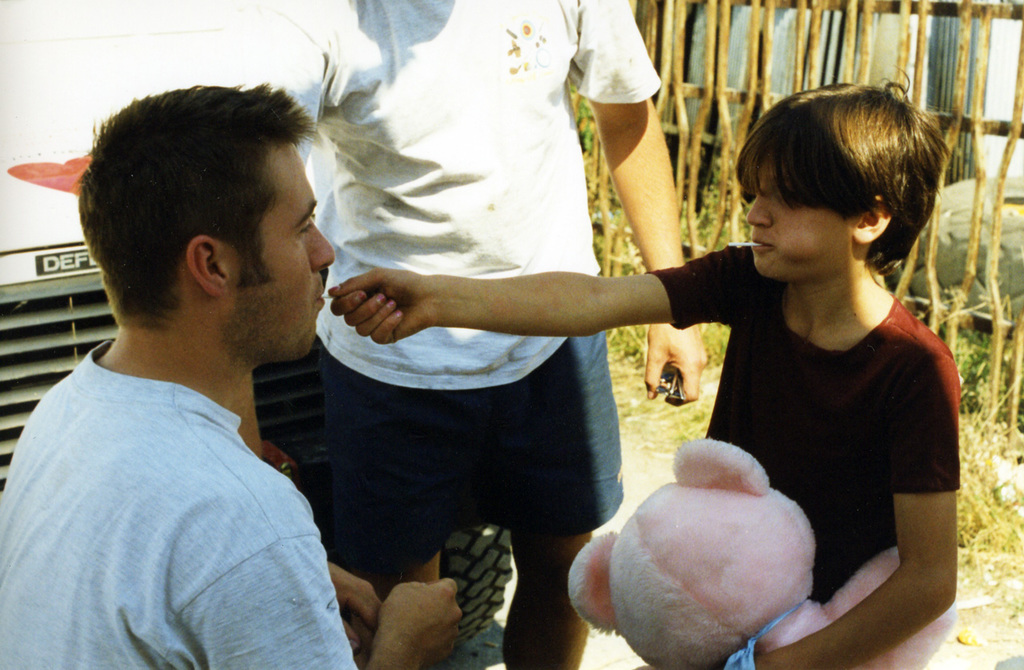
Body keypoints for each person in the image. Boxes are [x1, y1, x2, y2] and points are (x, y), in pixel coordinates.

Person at [329, 82, 960, 668]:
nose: (755, 214)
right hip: (721, 617)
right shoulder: (752, 282)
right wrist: (439, 299)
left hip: (826, 641)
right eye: (754, 193)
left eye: (784, 197)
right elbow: (596, 300)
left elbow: (929, 580)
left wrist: (779, 665)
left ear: (869, 219)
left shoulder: (915, 371)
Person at [227, 2, 707, 666]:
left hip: (554, 335)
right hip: (389, 353)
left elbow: (627, 117)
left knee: (564, 567)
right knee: (399, 605)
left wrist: (669, 302)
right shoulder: (316, 17)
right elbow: (263, 176)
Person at [0, 84, 461, 670]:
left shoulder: (65, 409)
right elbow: (225, 536)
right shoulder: (239, 518)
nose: (325, 253)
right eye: (302, 227)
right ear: (212, 264)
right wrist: (406, 645)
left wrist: (285, 576)